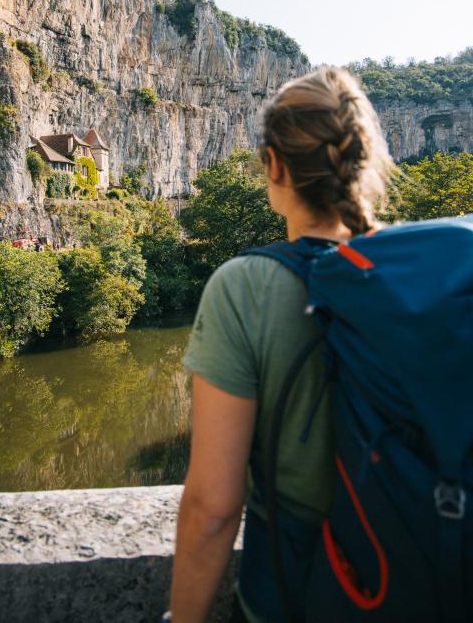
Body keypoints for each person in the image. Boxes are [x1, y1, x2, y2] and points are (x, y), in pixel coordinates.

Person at [169, 66, 394, 623]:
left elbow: (214, 510)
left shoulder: (244, 286)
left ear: (274, 165)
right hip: (419, 577)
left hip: (295, 590)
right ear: (363, 164)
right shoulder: (425, 277)